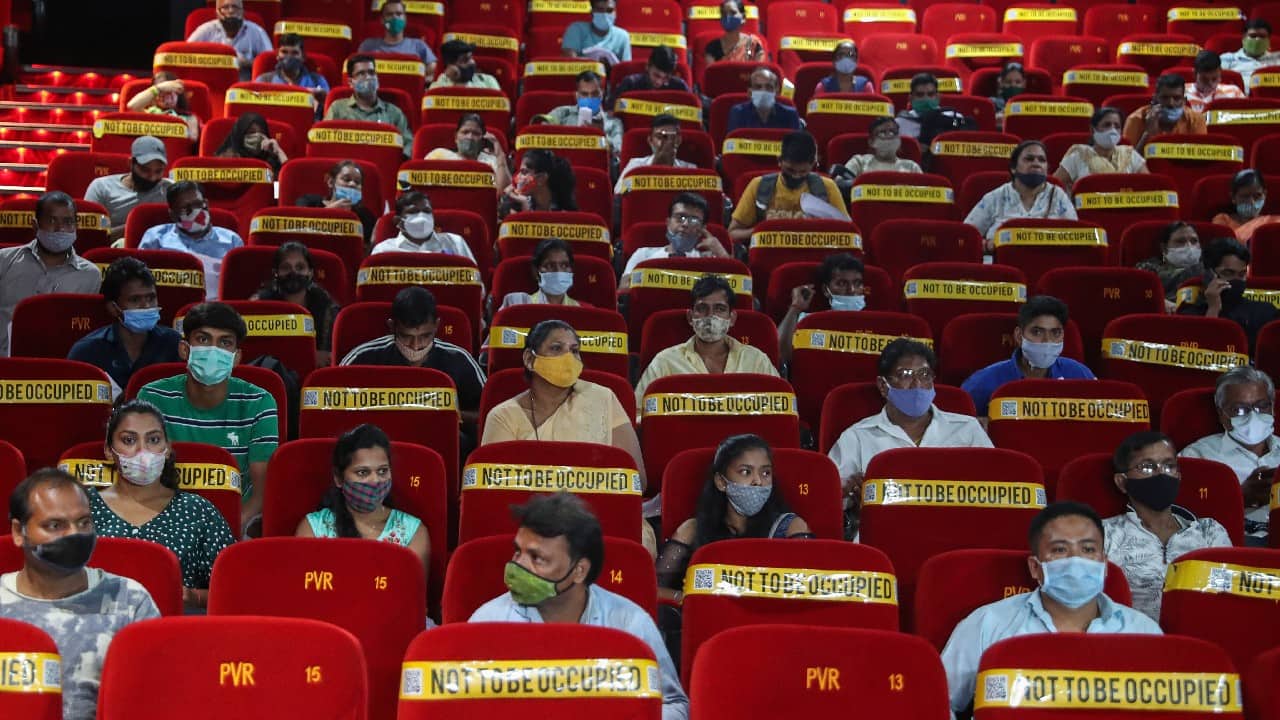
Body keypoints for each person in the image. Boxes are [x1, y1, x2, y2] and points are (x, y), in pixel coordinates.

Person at [470, 492, 686, 720]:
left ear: (579, 571)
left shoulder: (629, 624)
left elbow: (674, 706)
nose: (517, 566)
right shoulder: (487, 622)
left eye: (537, 558)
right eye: (518, 551)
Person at [940, 502, 1162, 715]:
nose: (1076, 560)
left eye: (1088, 549)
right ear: (1035, 567)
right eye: (1059, 550)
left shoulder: (1143, 632)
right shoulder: (988, 623)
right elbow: (939, 700)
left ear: (1104, 565)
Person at [1, 469, 161, 720]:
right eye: (55, 525)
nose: (74, 535)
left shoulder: (130, 600)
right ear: (18, 533)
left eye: (84, 522)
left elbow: (155, 702)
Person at [135, 302, 278, 532]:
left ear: (236, 357)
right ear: (184, 349)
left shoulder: (260, 402)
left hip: (234, 521)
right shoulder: (152, 397)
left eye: (225, 342)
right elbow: (142, 475)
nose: (213, 350)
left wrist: (225, 529)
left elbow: (261, 491)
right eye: (203, 339)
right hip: (164, 520)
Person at [90, 400, 235, 609]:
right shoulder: (80, 507)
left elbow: (234, 588)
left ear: (167, 449)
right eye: (129, 440)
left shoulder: (197, 510)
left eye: (153, 439)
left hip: (174, 630)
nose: (142, 451)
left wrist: (195, 598)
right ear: (108, 451)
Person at [480, 319, 646, 484]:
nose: (568, 358)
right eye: (556, 348)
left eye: (574, 350)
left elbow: (635, 479)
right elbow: (494, 486)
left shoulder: (603, 398)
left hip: (596, 506)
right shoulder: (503, 417)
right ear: (529, 359)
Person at [828, 339, 992, 505]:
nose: (917, 384)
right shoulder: (858, 437)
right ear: (883, 386)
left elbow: (994, 491)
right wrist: (850, 495)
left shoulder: (967, 429)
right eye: (905, 375)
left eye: (924, 374)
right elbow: (827, 500)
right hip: (884, 529)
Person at [655, 434, 813, 602]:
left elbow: (813, 586)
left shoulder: (791, 528)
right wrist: (688, 601)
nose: (758, 481)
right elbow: (652, 588)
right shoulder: (693, 529)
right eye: (746, 472)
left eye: (766, 473)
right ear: (721, 482)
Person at [1103, 431, 1232, 621]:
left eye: (1169, 466)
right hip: (1131, 639)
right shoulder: (1104, 533)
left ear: (1179, 476)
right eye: (1147, 467)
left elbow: (1226, 597)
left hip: (1200, 635)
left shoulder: (1209, 532)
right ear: (1122, 482)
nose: (1161, 474)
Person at [340, 287, 486, 431]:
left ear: (437, 326)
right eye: (406, 336)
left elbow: (489, 411)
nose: (416, 346)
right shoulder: (363, 357)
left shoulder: (459, 359)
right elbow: (333, 403)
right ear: (392, 326)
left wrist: (454, 415)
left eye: (425, 336)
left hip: (439, 438)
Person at [296, 423, 429, 577]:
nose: (375, 480)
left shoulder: (413, 532)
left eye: (382, 471)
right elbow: (305, 593)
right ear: (339, 479)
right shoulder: (313, 529)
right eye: (363, 472)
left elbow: (412, 597)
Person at [635, 275, 780, 413]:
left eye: (720, 309)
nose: (710, 316)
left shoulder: (756, 360)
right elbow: (639, 413)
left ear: (732, 318)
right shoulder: (665, 362)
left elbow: (781, 409)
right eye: (702, 308)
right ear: (691, 317)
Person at [1180, 366, 1280, 544]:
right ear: (1221, 414)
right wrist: (1240, 498)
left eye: (1262, 406)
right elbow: (1180, 517)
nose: (1253, 417)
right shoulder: (1197, 457)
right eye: (1239, 409)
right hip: (1230, 546)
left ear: (1272, 408)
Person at [961, 296, 1096, 420]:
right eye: (1037, 332)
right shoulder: (982, 384)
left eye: (1055, 333)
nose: (1047, 341)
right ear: (1019, 336)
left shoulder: (1080, 375)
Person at [0, 191, 101, 357]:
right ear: (35, 224)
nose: (60, 228)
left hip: (58, 369)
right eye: (52, 220)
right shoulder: (4, 261)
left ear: (77, 225)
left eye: (68, 222)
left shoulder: (90, 275)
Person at [68, 257, 182, 397]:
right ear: (113, 308)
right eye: (135, 300)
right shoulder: (87, 351)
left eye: (151, 298)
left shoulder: (174, 343)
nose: (146, 306)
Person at [728, 131, 849, 243]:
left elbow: (848, 233)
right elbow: (732, 234)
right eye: (790, 170)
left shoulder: (827, 188)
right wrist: (764, 228)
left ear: (813, 165)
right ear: (779, 160)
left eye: (803, 171)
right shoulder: (758, 186)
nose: (796, 176)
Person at [963, 140, 1077, 250]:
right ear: (1013, 168)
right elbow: (965, 236)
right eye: (1029, 159)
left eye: (1042, 160)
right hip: (1003, 264)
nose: (1036, 164)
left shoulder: (1058, 196)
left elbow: (1076, 237)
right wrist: (986, 245)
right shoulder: (995, 197)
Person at [138, 181, 243, 299]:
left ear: (206, 204)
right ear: (172, 214)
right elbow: (139, 281)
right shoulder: (156, 237)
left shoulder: (231, 240)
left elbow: (240, 286)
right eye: (185, 208)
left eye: (198, 204)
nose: (195, 212)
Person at [1177, 237, 1277, 353]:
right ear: (1209, 274)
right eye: (1228, 273)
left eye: (1242, 274)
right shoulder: (1189, 315)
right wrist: (1213, 310)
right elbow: (1203, 355)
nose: (1236, 280)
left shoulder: (1265, 311)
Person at [250, 242, 339, 367]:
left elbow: (327, 356)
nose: (293, 273)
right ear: (276, 272)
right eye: (286, 268)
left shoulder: (327, 306)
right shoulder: (260, 304)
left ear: (310, 273)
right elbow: (256, 353)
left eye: (300, 267)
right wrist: (307, 355)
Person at [621, 193, 730, 284]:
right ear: (668, 223)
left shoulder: (709, 261)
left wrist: (723, 255)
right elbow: (624, 292)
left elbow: (733, 292)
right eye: (680, 218)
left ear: (703, 228)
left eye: (694, 220)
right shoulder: (643, 255)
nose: (685, 224)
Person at [777, 253, 866, 365]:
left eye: (857, 283)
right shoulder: (809, 322)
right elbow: (781, 353)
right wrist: (796, 307)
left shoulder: (876, 324)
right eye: (842, 283)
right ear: (825, 290)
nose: (852, 290)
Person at [83, 135, 172, 240]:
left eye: (158, 171)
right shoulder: (102, 188)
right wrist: (136, 226)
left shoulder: (170, 190)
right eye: (145, 170)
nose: (152, 177)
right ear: (131, 163)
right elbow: (93, 235)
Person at [325, 54, 414, 154]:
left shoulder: (393, 113)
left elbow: (408, 144)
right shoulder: (338, 108)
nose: (368, 77)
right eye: (361, 74)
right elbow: (325, 143)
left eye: (371, 73)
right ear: (350, 82)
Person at [1053, 107, 1148, 191]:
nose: (1112, 130)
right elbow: (1053, 187)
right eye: (1107, 125)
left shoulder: (1130, 154)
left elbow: (1149, 185)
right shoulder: (1079, 155)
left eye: (1117, 126)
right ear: (1092, 129)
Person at [371, 190, 476, 262]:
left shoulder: (455, 243)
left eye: (426, 211)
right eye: (413, 212)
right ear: (398, 221)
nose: (422, 217)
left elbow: (476, 286)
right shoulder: (384, 251)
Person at [293, 159, 377, 246]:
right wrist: (330, 212)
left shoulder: (366, 215)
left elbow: (366, 249)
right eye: (346, 179)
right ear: (331, 182)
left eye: (357, 182)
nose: (352, 184)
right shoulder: (308, 201)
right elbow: (298, 230)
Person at [424, 113, 511, 193]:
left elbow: (502, 192)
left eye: (476, 134)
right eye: (465, 132)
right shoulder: (439, 155)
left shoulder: (490, 161)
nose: (470, 137)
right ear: (456, 137)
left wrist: (500, 154)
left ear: (483, 139)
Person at [186, 0, 272, 80]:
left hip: (243, 87)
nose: (231, 11)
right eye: (225, 7)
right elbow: (185, 55)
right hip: (211, 84)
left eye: (235, 7)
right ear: (217, 12)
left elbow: (269, 63)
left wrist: (247, 63)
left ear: (242, 11)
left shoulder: (257, 32)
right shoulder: (206, 30)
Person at [543, 70, 624, 155]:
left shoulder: (614, 123)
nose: (590, 98)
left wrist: (601, 134)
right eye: (585, 94)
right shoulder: (561, 113)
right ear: (577, 96)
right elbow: (542, 134)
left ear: (601, 94)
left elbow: (618, 154)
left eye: (594, 93)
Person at [1122, 73, 1207, 151]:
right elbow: (1127, 163)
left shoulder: (1196, 120)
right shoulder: (1135, 119)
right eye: (1165, 98)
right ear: (1155, 99)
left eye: (1176, 98)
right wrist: (1148, 133)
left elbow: (1200, 159)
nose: (1171, 103)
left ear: (1184, 101)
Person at [615, 113, 696, 193]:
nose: (667, 142)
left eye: (672, 137)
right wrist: (652, 168)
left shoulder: (690, 169)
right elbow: (619, 193)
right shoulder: (635, 165)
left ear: (679, 140)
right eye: (660, 137)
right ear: (650, 140)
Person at [498, 238, 587, 309]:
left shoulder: (583, 310)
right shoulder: (516, 303)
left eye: (564, 265)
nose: (558, 271)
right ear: (536, 271)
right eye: (549, 265)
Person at [1135, 221, 1206, 308]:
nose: (1189, 246)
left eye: (1194, 241)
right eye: (1180, 241)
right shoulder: (1148, 268)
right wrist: (1161, 302)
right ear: (1164, 248)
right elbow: (1138, 293)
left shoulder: (1210, 268)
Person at [358, 0, 438, 75]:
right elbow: (356, 68)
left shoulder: (418, 45)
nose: (395, 18)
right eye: (389, 14)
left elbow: (433, 66)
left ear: (405, 19)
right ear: (382, 20)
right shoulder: (368, 46)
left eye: (399, 14)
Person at [254, 32, 330, 108]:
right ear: (277, 55)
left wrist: (322, 99)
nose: (289, 57)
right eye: (284, 52)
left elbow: (327, 110)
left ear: (303, 57)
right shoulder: (264, 81)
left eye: (294, 53)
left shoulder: (318, 81)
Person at [499, 149, 578, 218]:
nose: (517, 178)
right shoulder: (514, 207)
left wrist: (527, 209)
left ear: (541, 178)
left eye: (524, 172)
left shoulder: (565, 215)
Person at [123, 72, 200, 141]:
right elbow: (132, 106)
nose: (164, 95)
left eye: (169, 91)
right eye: (160, 92)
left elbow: (192, 139)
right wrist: (159, 88)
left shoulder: (190, 118)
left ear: (178, 93)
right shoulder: (149, 113)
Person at [1211, 169, 1280, 244]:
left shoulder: (1275, 222)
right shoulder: (1223, 220)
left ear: (1265, 195)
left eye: (1257, 196)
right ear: (1233, 198)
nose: (1252, 202)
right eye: (1245, 196)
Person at [610, 45, 690, 108]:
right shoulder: (630, 84)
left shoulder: (680, 87)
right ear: (647, 66)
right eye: (656, 75)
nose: (659, 82)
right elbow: (610, 112)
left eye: (666, 78)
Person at [842, 116, 922, 178]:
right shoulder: (859, 162)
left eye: (893, 132)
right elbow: (841, 183)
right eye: (882, 133)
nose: (889, 136)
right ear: (871, 142)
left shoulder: (911, 167)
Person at [726, 66, 800, 133]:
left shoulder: (790, 115)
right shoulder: (738, 113)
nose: (763, 91)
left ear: (777, 91)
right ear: (749, 93)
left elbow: (796, 146)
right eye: (758, 87)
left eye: (769, 87)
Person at [213, 111, 288, 173]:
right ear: (240, 135)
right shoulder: (226, 160)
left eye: (262, 132)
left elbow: (284, 186)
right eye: (251, 132)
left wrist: (279, 152)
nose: (257, 136)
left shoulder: (271, 161)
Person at [561, 0, 632, 64]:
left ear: (615, 13)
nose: (605, 14)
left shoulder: (623, 36)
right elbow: (570, 62)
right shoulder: (576, 29)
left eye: (609, 10)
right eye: (600, 10)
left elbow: (625, 69)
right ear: (592, 12)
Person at [1220, 19, 1280, 91]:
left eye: (1262, 36)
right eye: (1253, 36)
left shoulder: (1277, 59)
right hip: (1238, 99)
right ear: (1244, 38)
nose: (1257, 39)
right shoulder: (1227, 58)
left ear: (1268, 40)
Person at [705, 0, 767, 65]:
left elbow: (759, 71)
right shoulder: (712, 48)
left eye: (732, 13)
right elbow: (711, 73)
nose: (728, 17)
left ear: (743, 18)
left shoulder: (752, 44)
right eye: (724, 14)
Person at [429, 39, 500, 90]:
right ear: (450, 66)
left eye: (471, 57)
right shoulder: (437, 87)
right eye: (465, 60)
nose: (472, 62)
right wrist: (458, 83)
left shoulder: (488, 81)